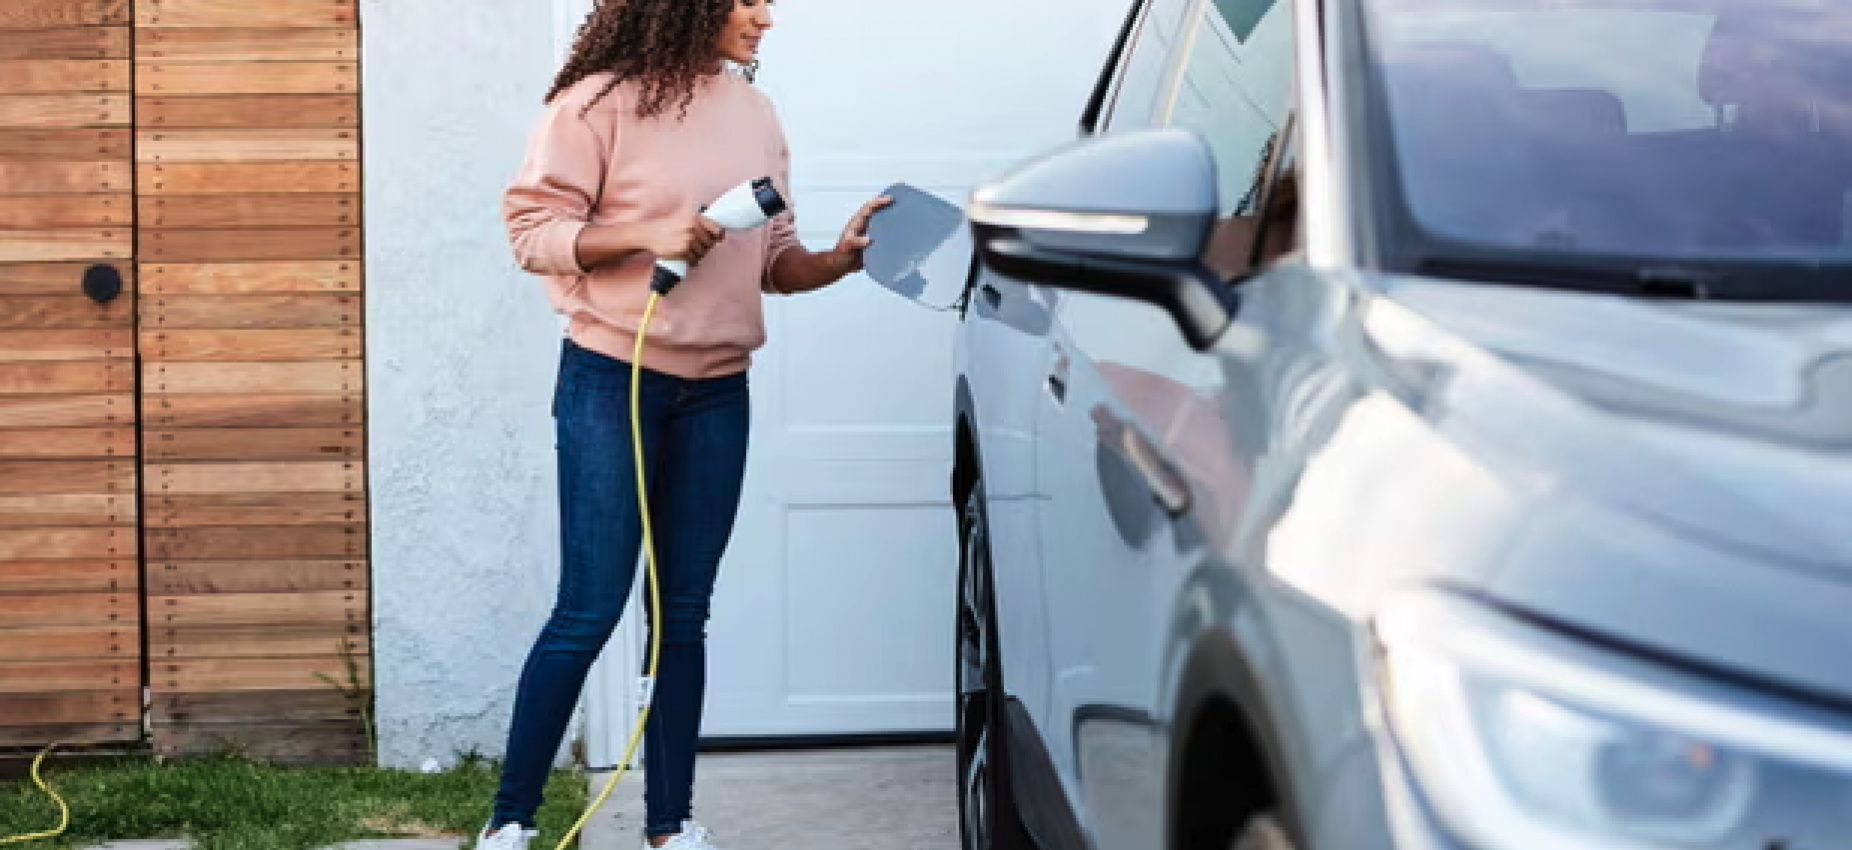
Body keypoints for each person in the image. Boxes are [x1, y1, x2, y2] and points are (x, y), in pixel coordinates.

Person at [485, 1, 891, 848]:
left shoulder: (754, 111)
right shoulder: (595, 103)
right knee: (589, 610)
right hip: (612, 380)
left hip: (717, 393)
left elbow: (778, 262)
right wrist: (648, 234)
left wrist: (841, 259)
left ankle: (671, 827)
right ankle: (511, 824)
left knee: (682, 613)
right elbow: (531, 232)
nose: (766, 17)